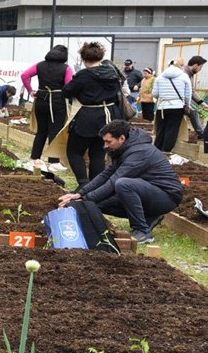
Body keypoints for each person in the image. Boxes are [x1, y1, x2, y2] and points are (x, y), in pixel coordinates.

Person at [58, 119, 183, 244]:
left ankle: (143, 231)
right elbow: (106, 174)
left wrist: (85, 200)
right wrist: (80, 194)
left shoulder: (139, 152)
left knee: (123, 184)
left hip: (167, 196)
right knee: (96, 204)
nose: (105, 146)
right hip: (147, 192)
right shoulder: (125, 148)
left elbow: (114, 181)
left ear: (122, 138)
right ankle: (149, 216)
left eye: (108, 142)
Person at [61, 42, 123, 186]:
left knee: (74, 151)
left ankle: (83, 184)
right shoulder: (112, 73)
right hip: (109, 117)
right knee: (98, 153)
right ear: (101, 57)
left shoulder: (84, 75)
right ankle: (94, 186)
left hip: (87, 117)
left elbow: (66, 92)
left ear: (83, 58)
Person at [21, 45, 73, 161]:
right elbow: (69, 86)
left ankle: (35, 158)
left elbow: (24, 75)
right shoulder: (66, 68)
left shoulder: (39, 65)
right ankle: (53, 161)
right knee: (55, 131)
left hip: (41, 99)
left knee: (41, 131)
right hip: (57, 101)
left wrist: (30, 90)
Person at [152, 58, 192, 153]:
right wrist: (187, 104)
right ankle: (166, 150)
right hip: (177, 106)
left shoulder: (160, 77)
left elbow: (155, 94)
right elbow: (188, 94)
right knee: (172, 129)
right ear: (181, 65)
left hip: (162, 107)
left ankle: (156, 150)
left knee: (161, 129)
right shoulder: (184, 76)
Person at [181, 55, 206, 137]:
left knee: (194, 112)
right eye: (201, 67)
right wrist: (187, 104)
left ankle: (201, 133)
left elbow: (191, 91)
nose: (200, 70)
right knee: (193, 112)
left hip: (181, 100)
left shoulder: (190, 74)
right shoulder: (184, 74)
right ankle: (202, 134)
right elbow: (180, 91)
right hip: (177, 101)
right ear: (195, 65)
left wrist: (202, 103)